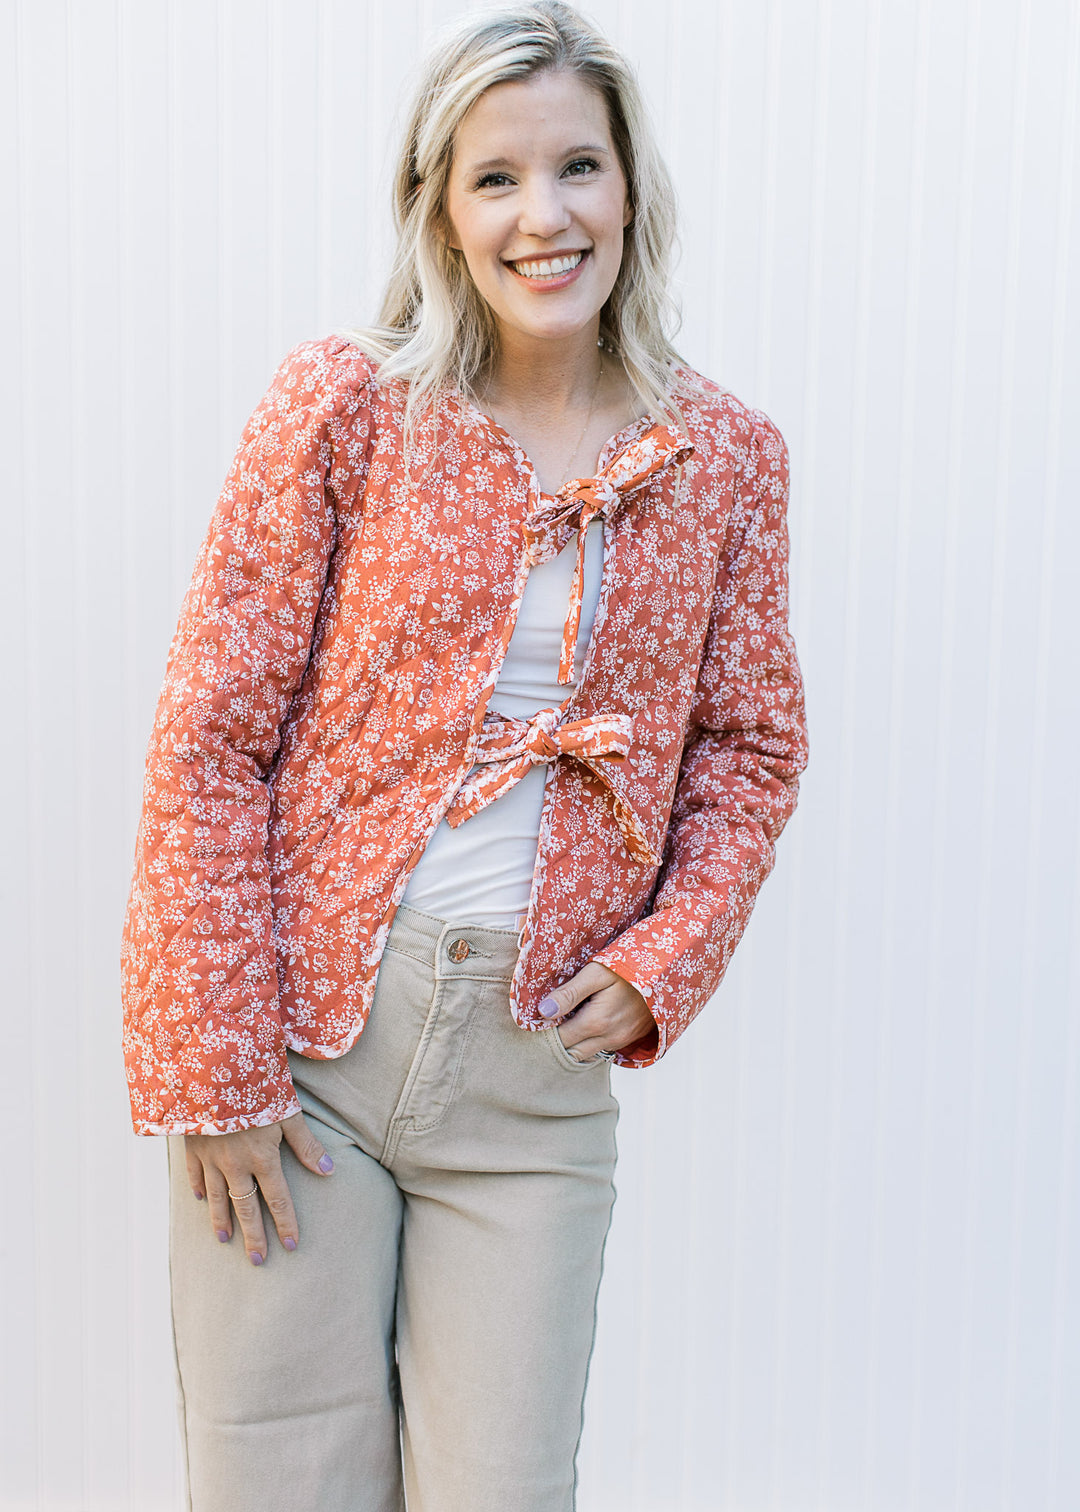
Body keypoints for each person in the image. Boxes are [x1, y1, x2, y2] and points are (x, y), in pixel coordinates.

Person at [120, 3, 808, 1509]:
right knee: (277, 1479)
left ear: (632, 187)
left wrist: (668, 952)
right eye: (495, 178)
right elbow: (211, 736)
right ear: (439, 206)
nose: (543, 216)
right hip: (302, 1056)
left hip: (534, 1089)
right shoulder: (347, 408)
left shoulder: (726, 457)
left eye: (578, 167)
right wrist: (216, 1068)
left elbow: (748, 752)